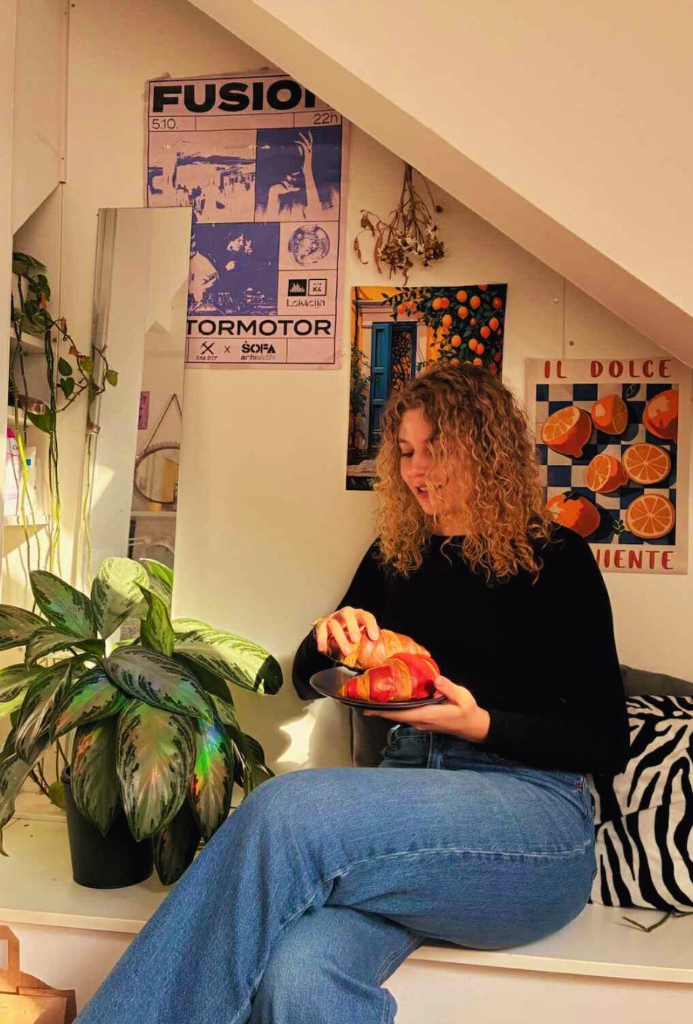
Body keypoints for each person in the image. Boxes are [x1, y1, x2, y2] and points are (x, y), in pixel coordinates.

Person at [77, 362, 628, 1024]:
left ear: (484, 450)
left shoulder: (556, 559)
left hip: (529, 824)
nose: (417, 470)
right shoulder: (398, 554)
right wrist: (332, 635)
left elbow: (605, 739)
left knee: (286, 814)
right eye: (404, 452)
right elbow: (311, 675)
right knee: (298, 975)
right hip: (403, 809)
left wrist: (477, 723)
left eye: (436, 450)